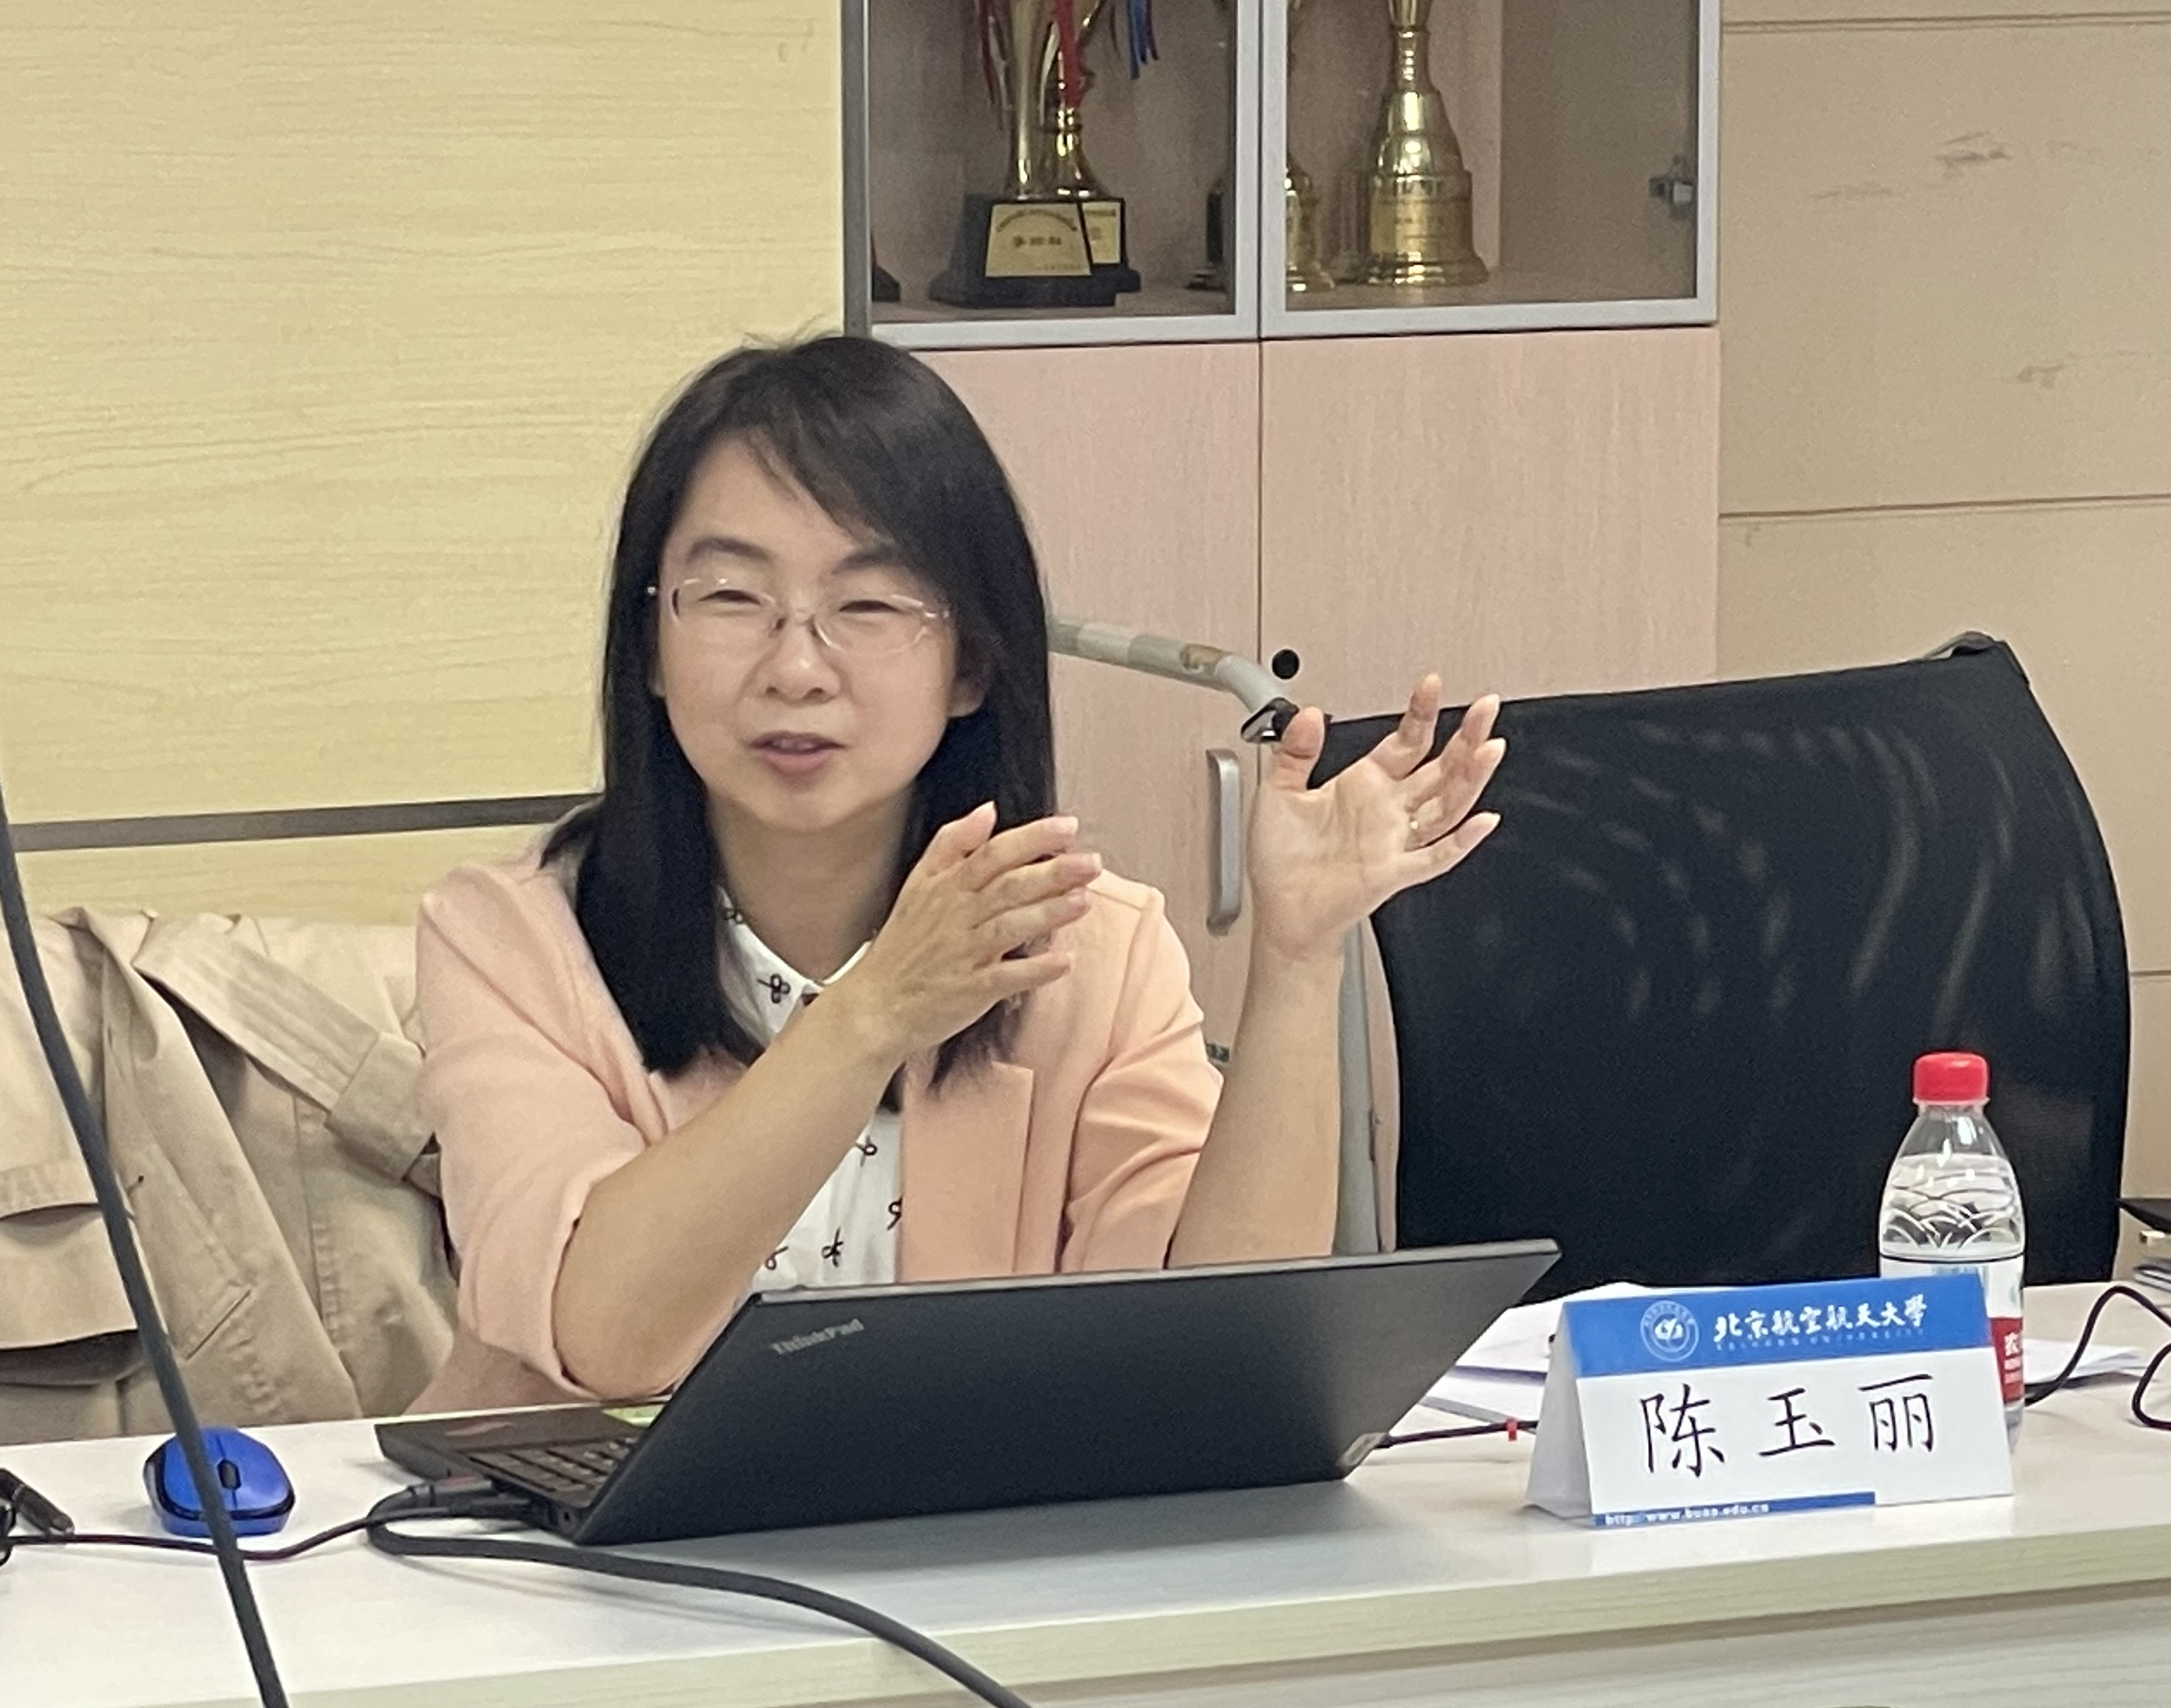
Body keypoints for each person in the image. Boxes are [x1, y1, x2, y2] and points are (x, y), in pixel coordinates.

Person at [410, 337, 1504, 1412]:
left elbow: (1223, 1337)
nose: (796, 668)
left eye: (869, 607)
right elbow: (605, 1339)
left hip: (964, 1529)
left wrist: (1299, 958)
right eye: (733, 598)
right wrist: (872, 1013)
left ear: (972, 665)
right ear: (649, 643)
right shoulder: (512, 941)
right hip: (588, 1531)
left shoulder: (1088, 949)